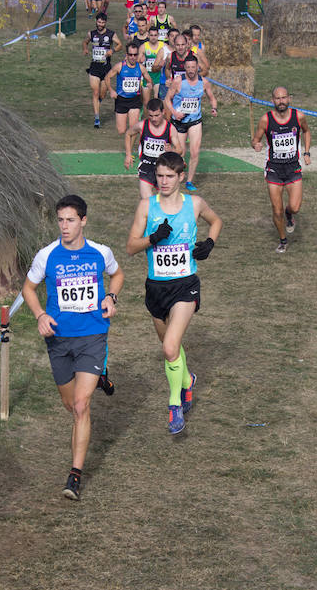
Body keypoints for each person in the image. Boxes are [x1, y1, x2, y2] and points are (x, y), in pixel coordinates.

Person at [22, 195, 125, 500]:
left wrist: (111, 298)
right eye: (60, 220)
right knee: (70, 405)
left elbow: (117, 275)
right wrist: (40, 315)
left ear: (83, 221)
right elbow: (28, 288)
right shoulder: (47, 255)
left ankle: (75, 475)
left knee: (81, 406)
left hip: (93, 335)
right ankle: (99, 375)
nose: (64, 226)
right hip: (59, 340)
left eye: (70, 220)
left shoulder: (100, 253)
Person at [126, 152, 222, 434]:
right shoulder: (147, 206)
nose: (163, 182)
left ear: (181, 177)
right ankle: (187, 381)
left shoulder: (194, 204)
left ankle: (174, 406)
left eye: (169, 176)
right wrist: (153, 238)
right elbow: (130, 247)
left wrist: (209, 244)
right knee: (171, 347)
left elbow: (216, 221)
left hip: (185, 285)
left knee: (169, 347)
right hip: (156, 288)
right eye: (159, 176)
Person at [251, 86, 312, 253]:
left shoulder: (298, 116)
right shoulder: (266, 119)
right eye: (277, 98)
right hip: (274, 170)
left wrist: (306, 152)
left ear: (289, 99)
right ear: (272, 101)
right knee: (276, 210)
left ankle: (290, 215)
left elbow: (306, 131)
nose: (281, 101)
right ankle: (283, 240)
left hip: (293, 168)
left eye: (284, 98)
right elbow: (255, 139)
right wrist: (256, 144)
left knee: (295, 207)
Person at [163, 54, 218, 192]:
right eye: (188, 67)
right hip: (179, 121)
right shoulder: (178, 81)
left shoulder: (204, 82)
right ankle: (175, 175)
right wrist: (175, 113)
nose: (191, 70)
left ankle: (189, 181)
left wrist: (214, 108)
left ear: (198, 67)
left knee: (194, 152)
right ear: (184, 68)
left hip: (195, 121)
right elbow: (167, 100)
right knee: (179, 152)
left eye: (193, 67)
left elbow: (212, 98)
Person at [124, 98, 184, 198]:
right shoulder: (142, 125)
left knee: (165, 201)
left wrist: (171, 150)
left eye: (157, 115)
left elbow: (180, 150)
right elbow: (128, 134)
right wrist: (128, 154)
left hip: (164, 168)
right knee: (147, 201)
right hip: (146, 166)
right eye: (151, 116)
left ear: (163, 112)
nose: (154, 119)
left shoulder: (170, 129)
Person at [83, 12, 122, 128]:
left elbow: (120, 44)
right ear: (96, 21)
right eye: (99, 22)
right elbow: (85, 42)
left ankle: (98, 103)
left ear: (105, 23)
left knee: (103, 94)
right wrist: (85, 49)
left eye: (103, 22)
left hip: (106, 69)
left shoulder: (111, 34)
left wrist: (112, 51)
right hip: (94, 67)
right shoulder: (91, 34)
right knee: (95, 92)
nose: (100, 24)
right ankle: (97, 118)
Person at [106, 44, 153, 135]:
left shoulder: (141, 68)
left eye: (135, 55)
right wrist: (111, 90)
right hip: (121, 100)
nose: (133, 57)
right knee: (121, 131)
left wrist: (149, 83)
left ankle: (129, 149)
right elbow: (107, 77)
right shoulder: (120, 66)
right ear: (126, 55)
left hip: (135, 100)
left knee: (133, 129)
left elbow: (148, 79)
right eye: (130, 55)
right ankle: (128, 143)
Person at [139, 29, 163, 103]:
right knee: (146, 101)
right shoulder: (143, 47)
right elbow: (138, 62)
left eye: (155, 35)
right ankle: (145, 113)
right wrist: (141, 61)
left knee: (157, 100)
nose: (153, 37)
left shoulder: (163, 46)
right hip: (147, 76)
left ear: (158, 36)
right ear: (148, 36)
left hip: (158, 76)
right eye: (151, 35)